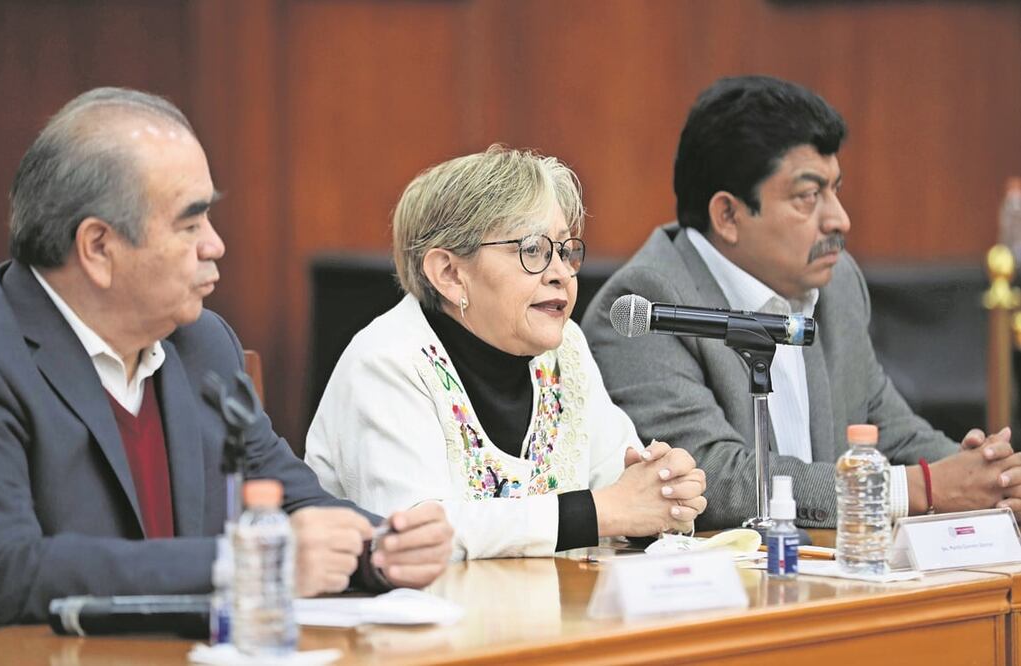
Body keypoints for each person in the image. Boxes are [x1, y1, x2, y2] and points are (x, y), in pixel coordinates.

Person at [0, 87, 453, 633]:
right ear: (97, 248)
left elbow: (289, 497)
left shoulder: (202, 344)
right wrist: (240, 563)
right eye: (190, 225)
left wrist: (381, 547)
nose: (215, 245)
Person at [582, 75, 1021, 531]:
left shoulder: (837, 284)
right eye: (808, 197)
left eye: (835, 190)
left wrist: (990, 478)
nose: (839, 219)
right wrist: (921, 488)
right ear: (728, 215)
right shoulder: (647, 305)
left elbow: (891, 429)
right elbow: (713, 477)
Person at [305, 146, 707, 560]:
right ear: (449, 274)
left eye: (566, 251)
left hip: (551, 614)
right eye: (533, 250)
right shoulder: (385, 362)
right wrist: (602, 511)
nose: (561, 274)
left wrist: (662, 494)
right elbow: (415, 536)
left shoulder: (565, 350)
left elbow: (621, 492)